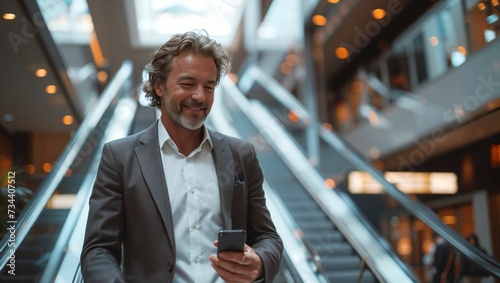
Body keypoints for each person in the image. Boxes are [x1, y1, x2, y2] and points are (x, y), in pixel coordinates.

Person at [81, 30, 283, 283]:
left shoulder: (241, 155)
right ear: (159, 85)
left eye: (209, 87)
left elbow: (268, 238)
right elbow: (98, 250)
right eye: (188, 84)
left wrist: (260, 262)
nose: (200, 96)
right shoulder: (120, 157)